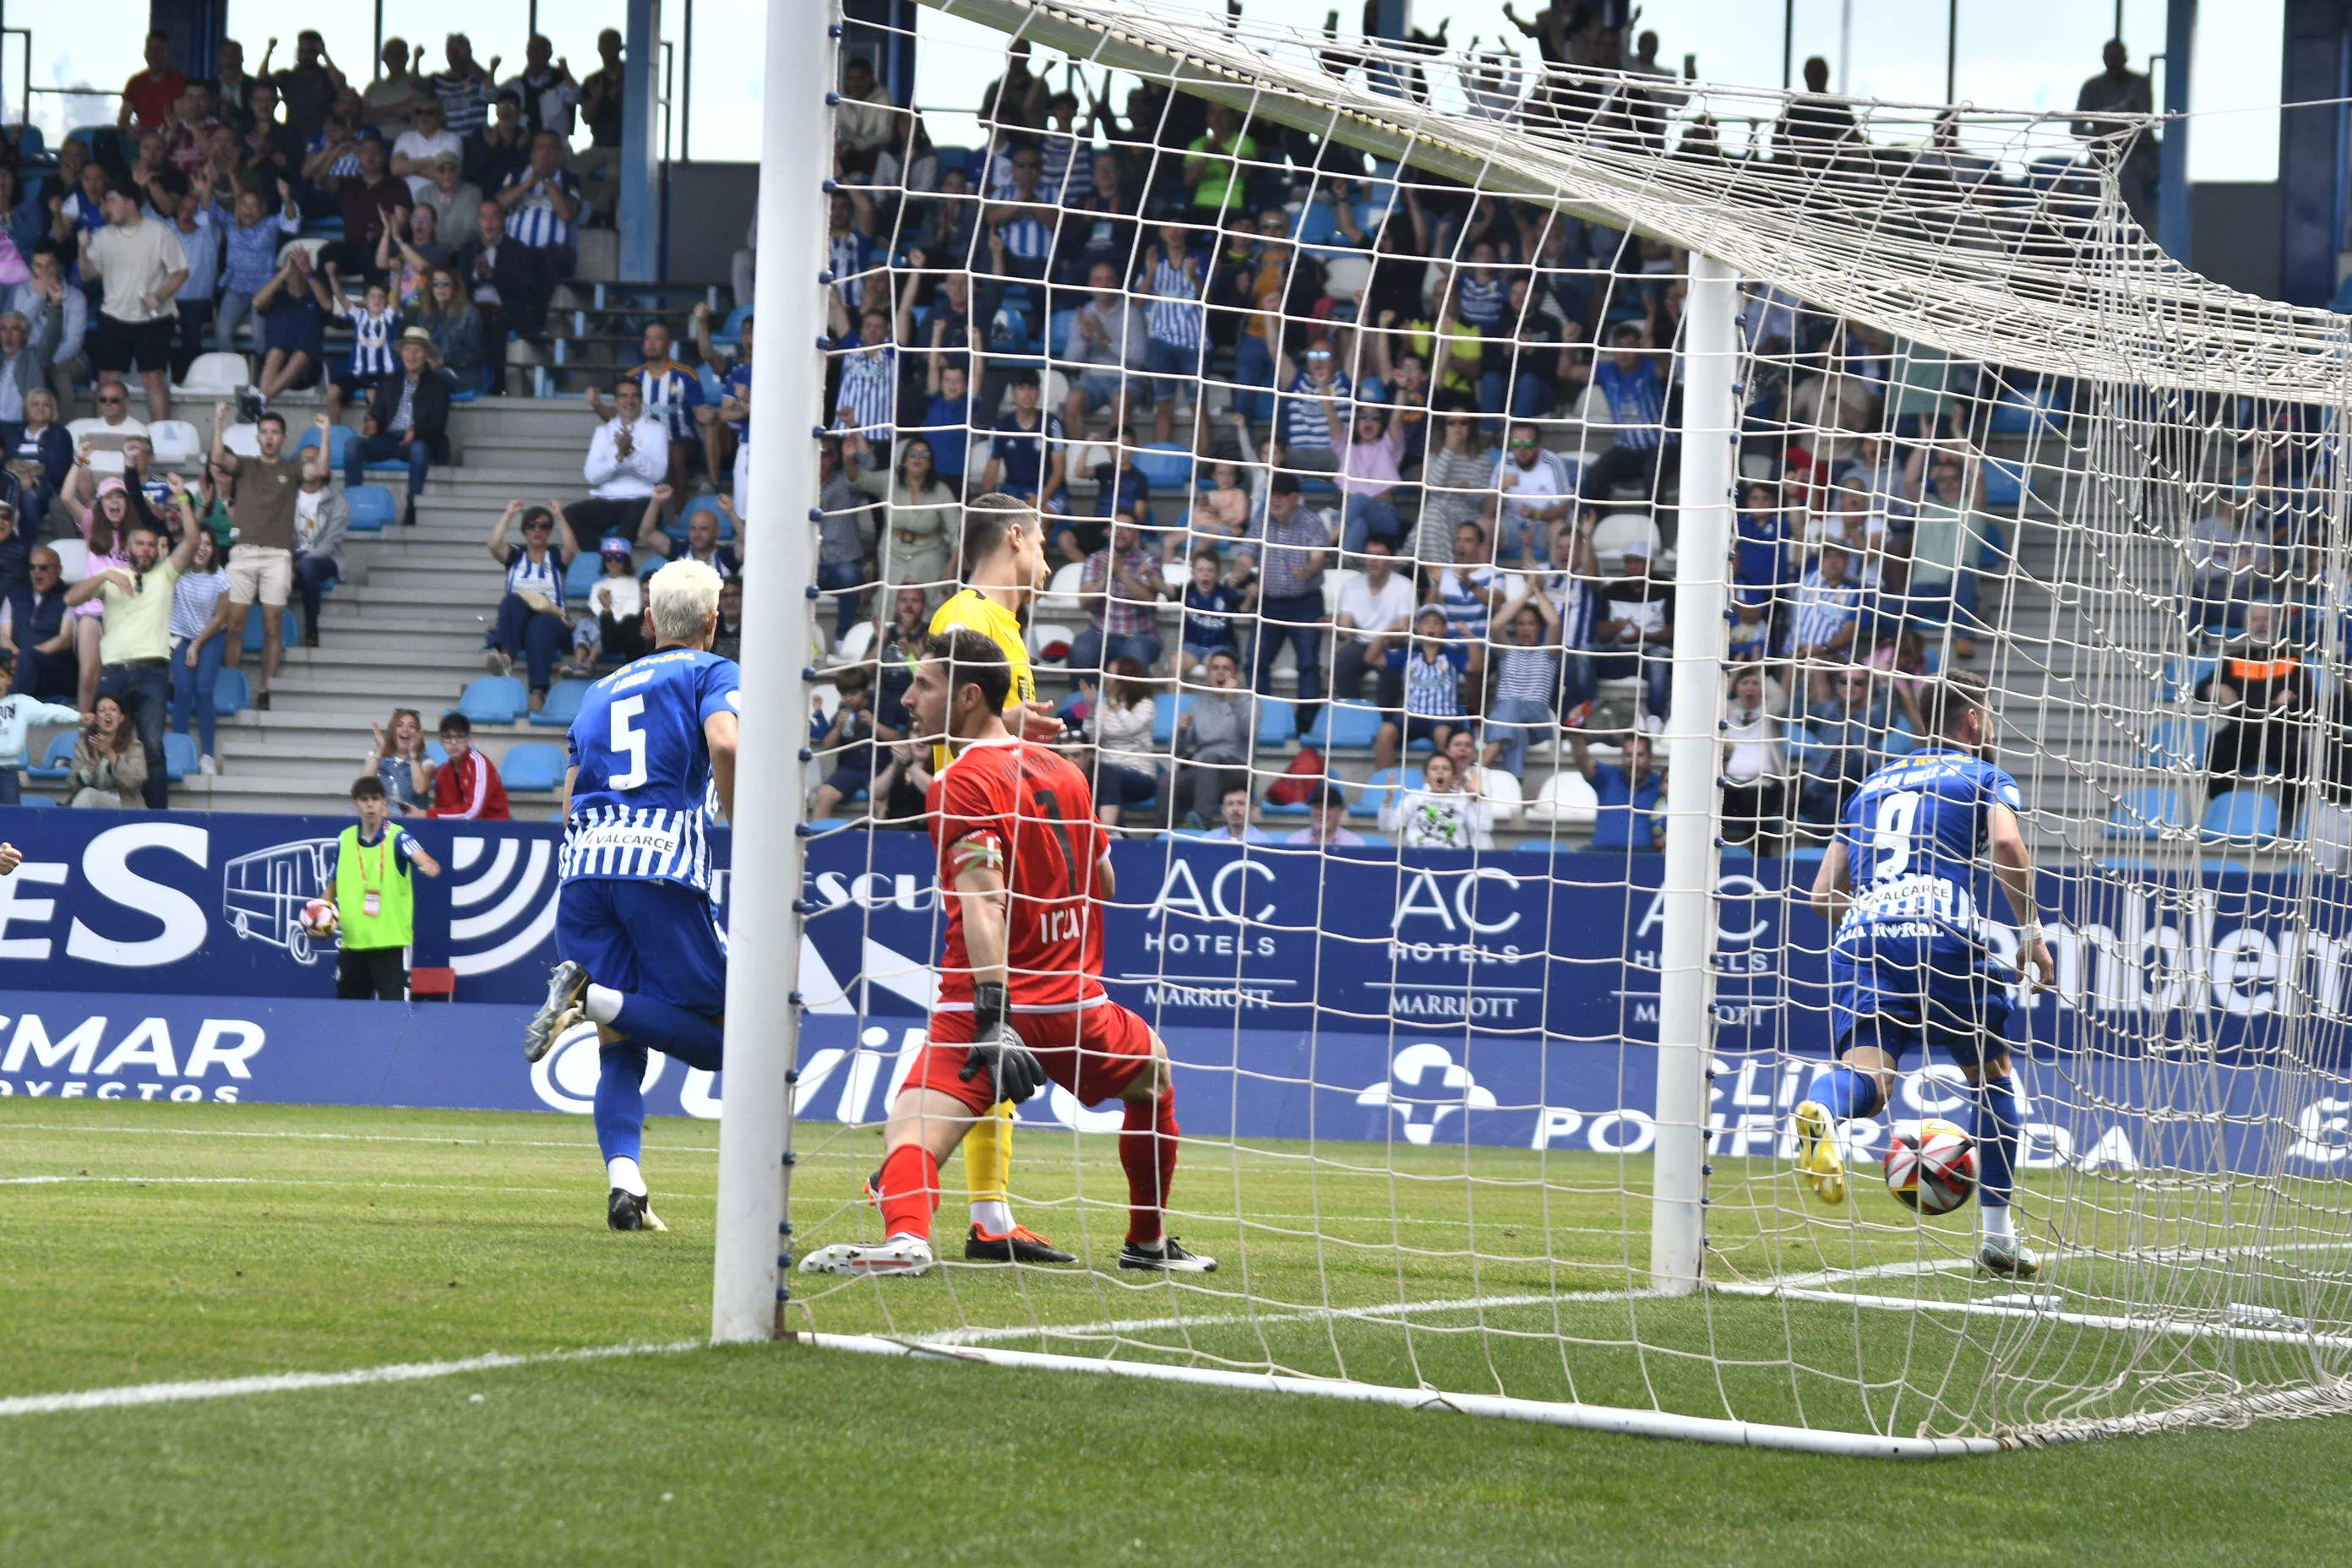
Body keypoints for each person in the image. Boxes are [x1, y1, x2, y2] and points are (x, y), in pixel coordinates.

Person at [799, 629, 1214, 1277]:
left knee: (908, 1132)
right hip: (1077, 1006)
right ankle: (1148, 1243)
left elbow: (983, 903)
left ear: (967, 696)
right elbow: (1103, 882)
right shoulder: (1067, 773)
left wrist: (994, 1018)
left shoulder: (957, 782)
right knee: (1155, 1077)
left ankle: (907, 1238)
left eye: (924, 684)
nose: (908, 697)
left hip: (984, 1006)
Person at [1794, 671, 2052, 1278]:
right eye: (1987, 712)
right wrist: (2031, 934)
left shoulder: (1869, 786)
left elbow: (1822, 894)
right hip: (1942, 936)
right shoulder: (1984, 774)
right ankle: (1997, 1238)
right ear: (1971, 721)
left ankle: (1821, 1112)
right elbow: (2009, 847)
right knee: (1991, 1079)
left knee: (1872, 1083)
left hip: (1865, 940)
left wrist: (1878, 914)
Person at [520, 560, 737, 1229]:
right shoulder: (710, 671)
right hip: (661, 866)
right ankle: (590, 996)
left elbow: (570, 792)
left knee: (620, 1044)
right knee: (736, 1039)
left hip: (585, 870)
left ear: (648, 620)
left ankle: (627, 1185)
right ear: (712, 621)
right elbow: (725, 741)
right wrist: (743, 818)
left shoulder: (596, 692)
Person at [911, 492, 1074, 1262]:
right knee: (987, 1013)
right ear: (1015, 536)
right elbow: (949, 727)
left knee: (1000, 1019)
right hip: (981, 842)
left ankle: (987, 1212)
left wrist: (1024, 729)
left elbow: (985, 728)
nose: (1048, 558)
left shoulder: (1004, 630)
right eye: (1042, 541)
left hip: (1005, 838)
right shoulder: (964, 619)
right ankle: (923, 1184)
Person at [63, 505, 202, 810]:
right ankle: (93, 802)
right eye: (140, 543)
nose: (146, 549)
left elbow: (192, 541)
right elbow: (71, 599)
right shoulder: (113, 577)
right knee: (99, 739)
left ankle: (156, 818)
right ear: (128, 548)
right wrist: (107, 574)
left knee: (153, 747)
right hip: (114, 672)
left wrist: (181, 499)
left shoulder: (165, 574)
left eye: (151, 544)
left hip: (153, 672)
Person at [214, 407, 330, 710]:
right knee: (235, 623)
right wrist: (217, 423)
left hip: (278, 555)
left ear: (283, 437)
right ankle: (232, 686)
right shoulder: (246, 465)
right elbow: (218, 459)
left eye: (275, 433)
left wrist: (326, 432)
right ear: (257, 436)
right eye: (264, 432)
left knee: (272, 625)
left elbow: (318, 470)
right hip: (243, 553)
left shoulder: (292, 468)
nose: (269, 437)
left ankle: (266, 689)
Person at [322, 775, 444, 999]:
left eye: (376, 799)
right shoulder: (345, 839)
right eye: (364, 799)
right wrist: (320, 915)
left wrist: (429, 866)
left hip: (391, 946)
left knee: (395, 1017)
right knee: (348, 1015)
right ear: (355, 804)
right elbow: (333, 885)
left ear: (384, 804)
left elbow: (426, 860)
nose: (370, 804)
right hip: (353, 945)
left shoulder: (399, 837)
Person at [79, 183, 190, 423]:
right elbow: (87, 274)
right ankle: (100, 434)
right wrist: (82, 248)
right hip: (113, 315)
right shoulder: (102, 236)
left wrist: (159, 296)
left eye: (111, 199)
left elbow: (181, 272)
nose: (105, 206)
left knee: (153, 378)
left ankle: (161, 435)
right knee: (107, 378)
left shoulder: (158, 232)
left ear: (129, 203)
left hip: (154, 317)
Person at [348, 328, 451, 527]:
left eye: (417, 350)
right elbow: (377, 411)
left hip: (418, 440)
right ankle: (353, 503)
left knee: (419, 450)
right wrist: (371, 421)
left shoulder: (439, 384)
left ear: (426, 355)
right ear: (401, 352)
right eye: (408, 349)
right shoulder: (390, 380)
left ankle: (412, 508)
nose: (411, 355)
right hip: (388, 439)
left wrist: (417, 430)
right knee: (353, 445)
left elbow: (439, 423)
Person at [484, 500, 580, 709]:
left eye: (544, 526)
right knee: (514, 600)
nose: (538, 530)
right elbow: (493, 545)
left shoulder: (555, 555)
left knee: (541, 624)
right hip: (520, 623)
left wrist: (561, 516)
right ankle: (507, 655)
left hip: (554, 622)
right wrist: (509, 514)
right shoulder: (515, 555)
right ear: (525, 530)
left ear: (549, 531)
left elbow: (572, 549)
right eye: (532, 526)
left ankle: (538, 691)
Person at [2072, 40, 2158, 235]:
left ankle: (2138, 237)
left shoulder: (2140, 83)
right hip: (2102, 154)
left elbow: (2143, 122)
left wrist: (2116, 125)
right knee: (2093, 178)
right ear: (2103, 59)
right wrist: (2100, 133)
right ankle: (2094, 239)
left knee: (2127, 176)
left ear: (2126, 58)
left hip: (2137, 152)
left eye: (2118, 57)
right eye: (2110, 57)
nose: (2114, 62)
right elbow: (2076, 129)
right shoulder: (2091, 86)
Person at [570, 379, 668, 541]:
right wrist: (617, 459)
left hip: (643, 500)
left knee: (629, 522)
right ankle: (600, 561)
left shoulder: (656, 430)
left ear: (642, 400)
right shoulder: (604, 431)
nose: (629, 401)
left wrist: (632, 453)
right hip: (608, 500)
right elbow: (592, 476)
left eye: (634, 396)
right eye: (624, 396)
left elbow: (658, 475)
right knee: (572, 515)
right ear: (616, 401)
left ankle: (619, 562)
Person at [167, 530, 231, 776]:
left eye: (208, 543)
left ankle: (207, 755)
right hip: (179, 637)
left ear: (214, 549)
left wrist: (197, 645)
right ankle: (179, 752)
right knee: (183, 689)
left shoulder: (220, 577)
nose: (202, 548)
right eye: (198, 543)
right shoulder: (176, 572)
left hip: (210, 638)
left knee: (203, 688)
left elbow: (221, 616)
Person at [1330, 536, 1415, 717]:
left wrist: (1385, 637)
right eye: (1369, 554)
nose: (1373, 560)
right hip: (1361, 643)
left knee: (1392, 668)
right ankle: (1354, 717)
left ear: (1391, 558)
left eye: (1379, 555)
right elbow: (1344, 632)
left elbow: (1402, 633)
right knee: (1343, 663)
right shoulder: (1351, 585)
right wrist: (1334, 627)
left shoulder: (1405, 586)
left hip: (1390, 645)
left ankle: (1384, 722)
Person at [0, 652, 81, 805]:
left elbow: (50, 711)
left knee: (11, 818)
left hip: (9, 770)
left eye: (1, 675)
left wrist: (78, 717)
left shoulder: (20, 703)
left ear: (10, 680)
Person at [1571, 730, 1666, 853]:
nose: (1633, 761)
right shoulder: (1608, 777)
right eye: (1628, 755)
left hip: (1645, 859)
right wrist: (1575, 731)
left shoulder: (1661, 785)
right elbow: (1583, 761)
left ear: (1650, 758)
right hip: (1601, 856)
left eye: (1640, 755)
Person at [289, 460, 349, 649]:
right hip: (293, 556)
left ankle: (312, 630)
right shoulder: (289, 497)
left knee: (308, 566)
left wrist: (301, 561)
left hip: (326, 559)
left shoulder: (337, 501)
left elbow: (330, 543)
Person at [575, 536, 647, 673]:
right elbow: (594, 610)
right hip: (600, 624)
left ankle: (590, 661)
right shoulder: (598, 586)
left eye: (618, 558)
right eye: (609, 558)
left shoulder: (634, 584)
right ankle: (579, 663)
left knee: (603, 627)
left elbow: (631, 612)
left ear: (626, 561)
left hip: (620, 629)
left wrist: (608, 609)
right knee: (586, 624)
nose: (613, 562)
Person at [1382, 749, 1479, 849]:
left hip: (1454, 858)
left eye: (1445, 769)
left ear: (1453, 777)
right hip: (1418, 857)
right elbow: (1388, 827)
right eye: (1434, 768)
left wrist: (1474, 798)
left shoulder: (1463, 801)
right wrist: (1389, 798)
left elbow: (1481, 828)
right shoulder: (1415, 798)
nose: (1440, 772)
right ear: (1426, 778)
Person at [68, 693, 147, 808]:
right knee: (87, 795)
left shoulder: (134, 746)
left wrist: (110, 753)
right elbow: (73, 785)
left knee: (88, 795)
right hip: (91, 805)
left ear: (121, 718)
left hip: (124, 807)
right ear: (95, 719)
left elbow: (133, 781)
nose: (108, 714)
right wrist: (92, 766)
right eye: (102, 710)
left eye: (113, 710)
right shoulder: (83, 746)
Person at [427, 710, 509, 819]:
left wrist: (427, 814)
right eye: (448, 737)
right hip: (462, 831)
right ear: (441, 740)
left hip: (494, 829)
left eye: (459, 737)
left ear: (469, 738)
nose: (453, 742)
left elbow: (473, 812)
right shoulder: (443, 772)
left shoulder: (479, 763)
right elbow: (446, 813)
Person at [366, 706, 436, 815]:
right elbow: (363, 784)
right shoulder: (377, 756)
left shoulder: (427, 762)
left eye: (411, 726)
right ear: (393, 731)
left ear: (417, 733)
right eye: (399, 725)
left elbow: (420, 788)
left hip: (411, 822)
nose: (405, 730)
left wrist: (413, 755)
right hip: (382, 819)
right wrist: (380, 751)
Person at [1287, 782, 1366, 847]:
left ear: (1341, 810)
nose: (1321, 813)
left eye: (1328, 808)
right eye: (1317, 807)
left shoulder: (1354, 843)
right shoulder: (1296, 840)